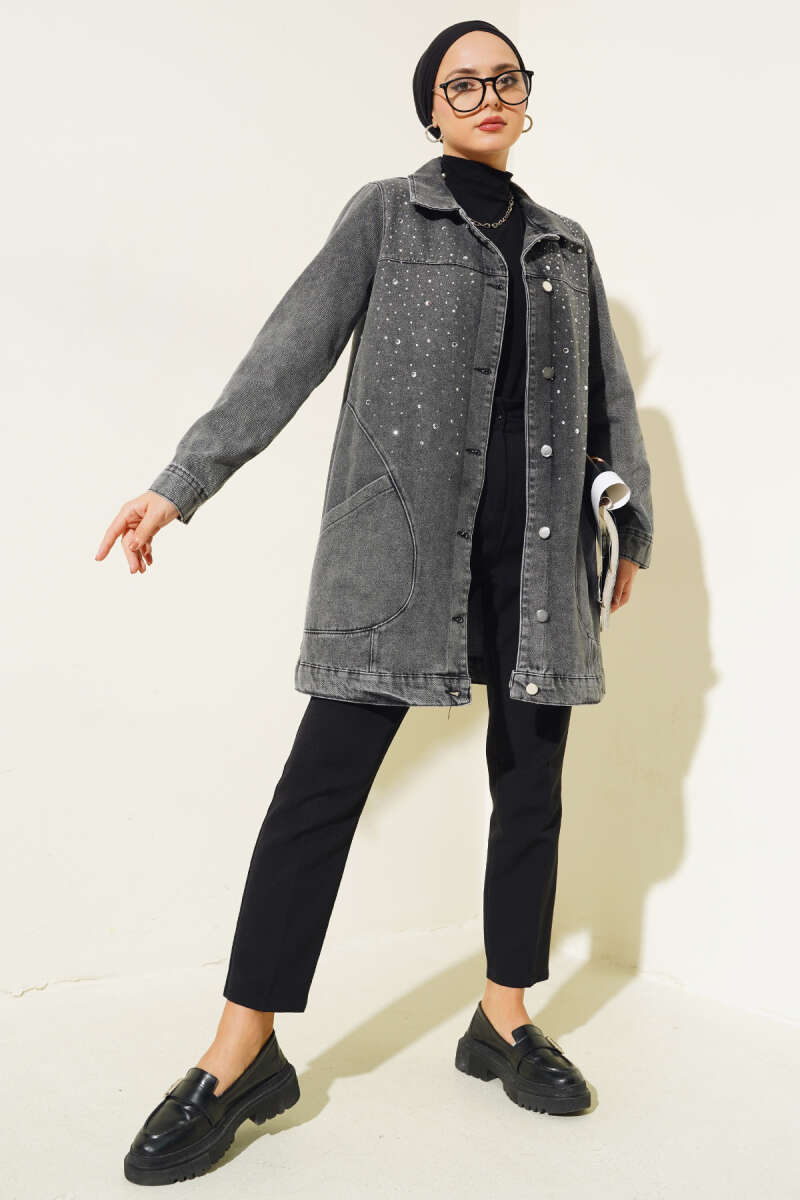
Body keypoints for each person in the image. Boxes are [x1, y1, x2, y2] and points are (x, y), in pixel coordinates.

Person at [97, 19, 653, 1186]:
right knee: (318, 794)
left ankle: (501, 1020)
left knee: (529, 788)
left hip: (536, 562)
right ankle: (238, 1053)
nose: (486, 94)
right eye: (462, 82)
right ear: (430, 108)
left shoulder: (565, 247)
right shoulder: (387, 218)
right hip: (399, 556)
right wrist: (181, 483)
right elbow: (286, 352)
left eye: (504, 78)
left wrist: (628, 518)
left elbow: (605, 401)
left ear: (525, 99)